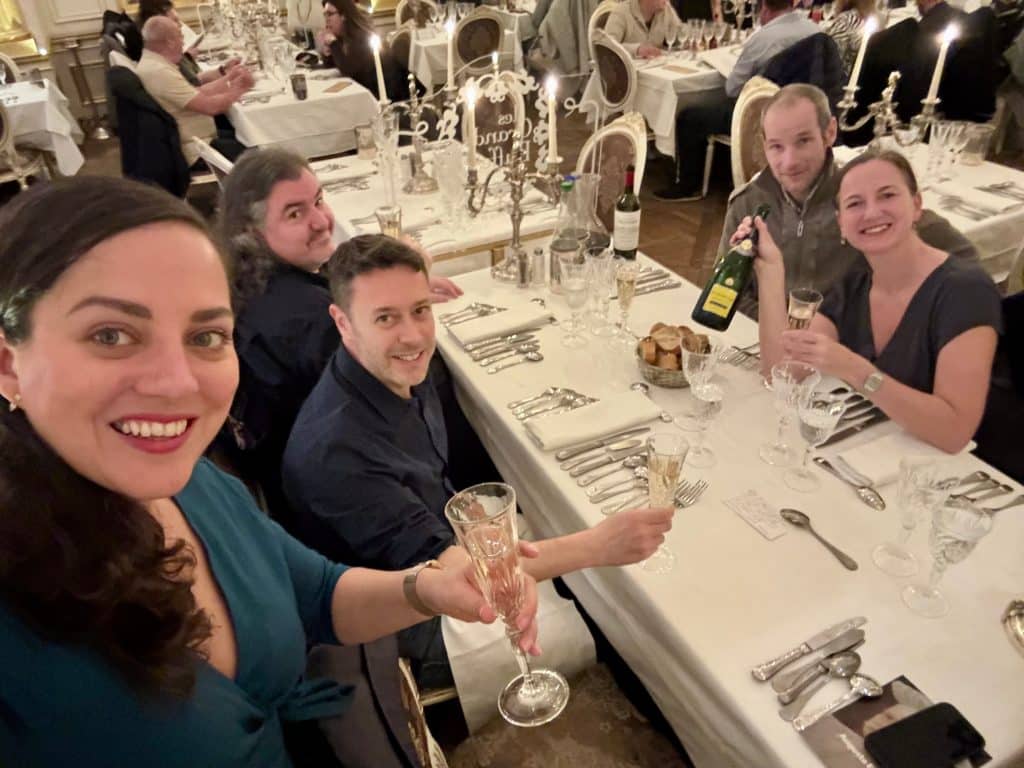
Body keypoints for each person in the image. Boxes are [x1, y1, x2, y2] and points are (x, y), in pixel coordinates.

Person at [0, 177, 539, 767]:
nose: (178, 383)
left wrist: (422, 587)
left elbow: (318, 593)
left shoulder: (193, 484)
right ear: (9, 364)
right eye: (111, 335)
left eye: (206, 335)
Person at [281, 234, 675, 689]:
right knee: (606, 623)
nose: (412, 335)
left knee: (578, 544)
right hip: (405, 626)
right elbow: (459, 580)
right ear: (342, 322)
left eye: (420, 310)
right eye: (385, 317)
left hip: (442, 538)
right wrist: (598, 546)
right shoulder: (336, 454)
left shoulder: (392, 366)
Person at [218, 149, 462, 527]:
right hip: (358, 504)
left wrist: (390, 296)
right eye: (295, 213)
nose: (321, 220)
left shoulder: (251, 279)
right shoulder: (307, 320)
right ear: (252, 231)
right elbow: (414, 381)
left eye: (318, 200)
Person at [750, 150, 1001, 452]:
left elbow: (953, 432)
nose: (871, 213)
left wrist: (858, 371)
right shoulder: (854, 283)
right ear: (841, 224)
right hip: (874, 453)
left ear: (917, 205)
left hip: (950, 473)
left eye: (887, 196)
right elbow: (783, 372)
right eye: (855, 203)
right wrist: (771, 272)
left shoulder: (966, 291)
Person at [717, 83, 976, 317]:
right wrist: (783, 328)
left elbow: (963, 263)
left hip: (845, 351)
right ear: (764, 145)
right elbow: (725, 293)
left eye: (803, 141)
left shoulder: (859, 198)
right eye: (776, 146)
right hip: (764, 341)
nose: (790, 161)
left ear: (829, 132)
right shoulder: (747, 204)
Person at [655, 0, 819, 200]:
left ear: (764, 9)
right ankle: (722, 171)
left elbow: (732, 88)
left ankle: (689, 186)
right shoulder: (814, 30)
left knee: (689, 117)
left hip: (762, 115)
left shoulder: (763, 38)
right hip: (803, 111)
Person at [135, 16, 253, 165]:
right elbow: (211, 106)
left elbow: (197, 92)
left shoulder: (154, 63)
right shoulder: (158, 72)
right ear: (170, 42)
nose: (183, 42)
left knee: (250, 134)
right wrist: (239, 90)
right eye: (181, 36)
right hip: (197, 150)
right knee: (260, 150)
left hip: (200, 137)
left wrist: (229, 76)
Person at [317, 0, 410, 101]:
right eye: (325, 15)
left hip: (391, 97)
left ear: (344, 16)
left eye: (330, 14)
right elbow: (332, 66)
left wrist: (333, 44)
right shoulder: (342, 37)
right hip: (368, 92)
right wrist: (327, 51)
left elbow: (350, 71)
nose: (326, 20)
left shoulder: (362, 38)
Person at [137, 0, 243, 86]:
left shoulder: (160, 55)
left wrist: (224, 70)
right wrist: (233, 81)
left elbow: (195, 80)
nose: (180, 25)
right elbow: (198, 93)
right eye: (175, 21)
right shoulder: (162, 64)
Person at [602, 0, 684, 59]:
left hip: (652, 73)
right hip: (619, 77)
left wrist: (688, 42)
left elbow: (680, 33)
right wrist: (637, 49)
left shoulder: (666, 9)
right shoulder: (622, 12)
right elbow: (606, 47)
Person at [820, 0, 876, 77]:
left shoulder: (846, 20)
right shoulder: (876, 20)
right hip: (865, 75)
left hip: (844, 79)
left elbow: (828, 57)